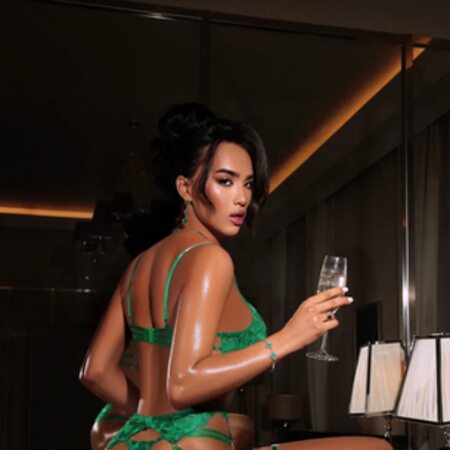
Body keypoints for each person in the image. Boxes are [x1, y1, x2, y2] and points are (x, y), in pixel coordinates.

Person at [80, 103, 391, 450]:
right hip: (190, 442)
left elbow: (95, 372)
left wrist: (149, 414)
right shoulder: (210, 259)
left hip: (130, 440)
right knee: (377, 448)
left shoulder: (138, 265)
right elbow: (182, 384)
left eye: (248, 184)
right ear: (185, 188)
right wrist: (289, 337)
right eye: (225, 181)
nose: (242, 198)